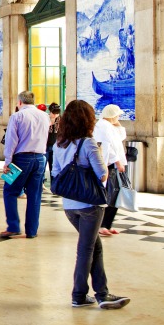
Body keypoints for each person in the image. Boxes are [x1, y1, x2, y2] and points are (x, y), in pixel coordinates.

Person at [53, 99, 131, 310]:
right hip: (89, 204)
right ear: (88, 120)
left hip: (69, 205)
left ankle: (102, 294)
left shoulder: (59, 143)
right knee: (87, 249)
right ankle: (79, 295)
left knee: (94, 246)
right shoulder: (88, 143)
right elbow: (102, 173)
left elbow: (54, 173)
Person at [1, 90, 50, 238]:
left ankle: (14, 226)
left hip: (20, 159)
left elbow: (11, 141)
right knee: (34, 195)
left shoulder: (17, 116)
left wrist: (7, 161)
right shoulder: (45, 116)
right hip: (40, 158)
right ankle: (32, 231)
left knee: (9, 191)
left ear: (20, 102)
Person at [93, 104, 128, 236]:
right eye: (117, 115)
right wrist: (118, 162)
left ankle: (106, 224)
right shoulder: (102, 126)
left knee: (114, 195)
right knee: (110, 195)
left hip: (112, 163)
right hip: (108, 164)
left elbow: (120, 137)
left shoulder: (108, 125)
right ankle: (102, 225)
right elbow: (108, 147)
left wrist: (117, 122)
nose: (118, 117)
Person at [45, 103, 61, 183]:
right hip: (45, 146)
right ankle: (41, 184)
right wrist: (50, 122)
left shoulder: (61, 120)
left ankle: (54, 184)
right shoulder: (45, 118)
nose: (55, 115)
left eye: (57, 113)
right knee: (43, 167)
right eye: (53, 113)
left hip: (56, 146)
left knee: (54, 167)